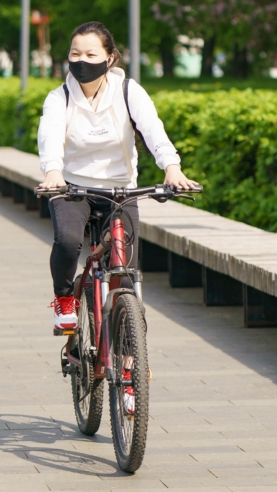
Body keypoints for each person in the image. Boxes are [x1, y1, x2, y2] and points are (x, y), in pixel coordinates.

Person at [38, 21, 197, 332]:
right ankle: (65, 299)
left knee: (125, 271)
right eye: (75, 53)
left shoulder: (128, 91)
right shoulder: (59, 98)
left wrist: (172, 167)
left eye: (91, 54)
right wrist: (53, 171)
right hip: (71, 187)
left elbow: (153, 130)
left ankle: (129, 351)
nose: (82, 61)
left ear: (109, 59)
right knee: (69, 242)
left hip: (121, 191)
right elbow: (50, 135)